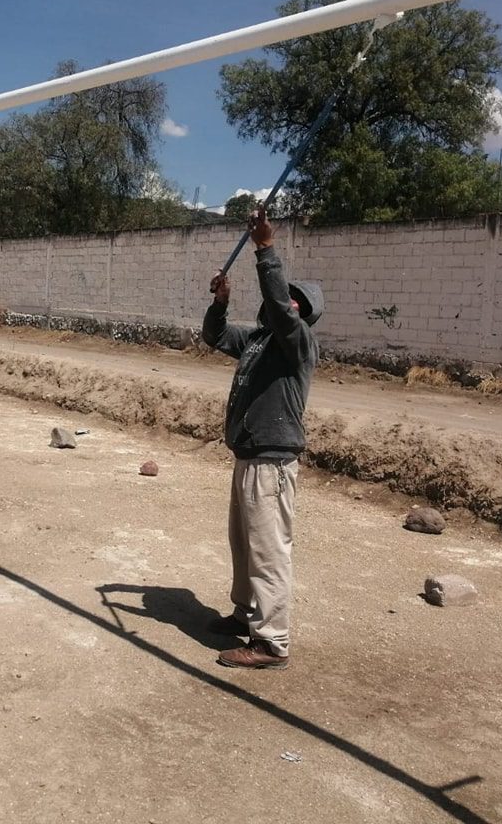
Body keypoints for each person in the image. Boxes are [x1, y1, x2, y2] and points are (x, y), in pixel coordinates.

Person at [201, 207, 323, 670]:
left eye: (287, 301)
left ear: (298, 312)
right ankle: (246, 614)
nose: (276, 304)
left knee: (268, 551)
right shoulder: (257, 341)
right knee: (244, 543)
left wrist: (266, 250)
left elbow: (280, 307)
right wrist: (220, 303)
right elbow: (214, 337)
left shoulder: (298, 342)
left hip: (271, 462)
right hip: (249, 457)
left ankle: (271, 643)